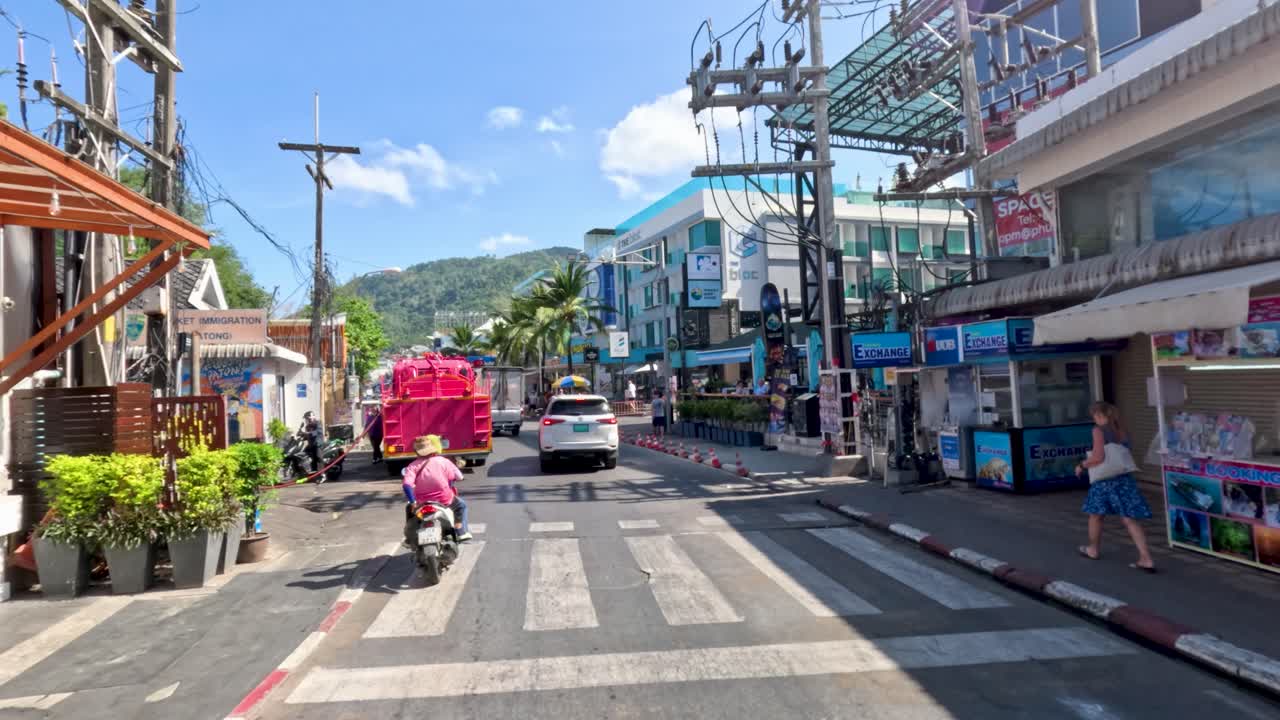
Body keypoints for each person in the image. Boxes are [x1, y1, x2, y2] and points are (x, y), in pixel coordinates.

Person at [1076, 401, 1156, 573]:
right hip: (1124, 480)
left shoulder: (1098, 430)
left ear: (1098, 415)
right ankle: (1146, 557)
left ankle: (1093, 549)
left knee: (1096, 515)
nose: (1094, 420)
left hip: (1105, 481)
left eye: (1094, 416)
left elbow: (1098, 457)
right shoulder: (1122, 430)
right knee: (1129, 518)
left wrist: (1082, 465)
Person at [401, 434, 472, 544]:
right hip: (444, 500)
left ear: (416, 451)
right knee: (461, 505)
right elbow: (457, 477)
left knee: (409, 509)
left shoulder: (412, 466)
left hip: (421, 502)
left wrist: (413, 502)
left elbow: (406, 485)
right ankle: (461, 531)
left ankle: (409, 538)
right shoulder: (443, 461)